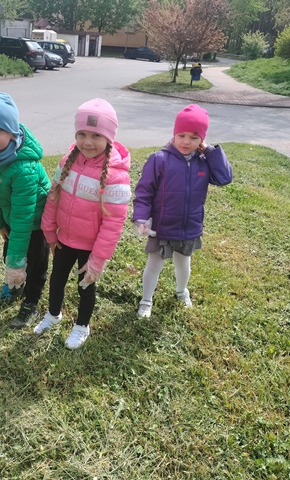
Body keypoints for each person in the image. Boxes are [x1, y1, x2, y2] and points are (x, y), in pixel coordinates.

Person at [34, 98, 131, 349]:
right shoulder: (67, 161)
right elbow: (53, 198)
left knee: (85, 287)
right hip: (64, 239)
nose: (87, 142)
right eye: (82, 134)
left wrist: (97, 260)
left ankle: (81, 326)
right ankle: (53, 314)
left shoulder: (116, 175)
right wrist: (49, 232)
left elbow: (113, 223)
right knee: (56, 280)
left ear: (109, 138)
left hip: (90, 248)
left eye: (96, 135)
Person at [133, 104, 233, 317]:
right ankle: (146, 300)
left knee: (183, 263)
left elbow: (224, 178)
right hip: (162, 227)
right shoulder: (159, 159)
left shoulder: (204, 163)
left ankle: (181, 291)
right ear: (174, 134)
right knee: (154, 264)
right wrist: (141, 217)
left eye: (194, 138)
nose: (186, 142)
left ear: (202, 140)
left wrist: (210, 152)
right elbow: (144, 191)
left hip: (189, 226)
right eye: (181, 135)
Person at [0, 92, 51, 329]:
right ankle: (15, 286)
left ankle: (31, 302)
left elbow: (24, 216)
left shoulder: (24, 168)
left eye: (0, 129)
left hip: (36, 221)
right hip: (13, 218)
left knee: (34, 264)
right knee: (9, 253)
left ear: (13, 133)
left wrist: (17, 263)